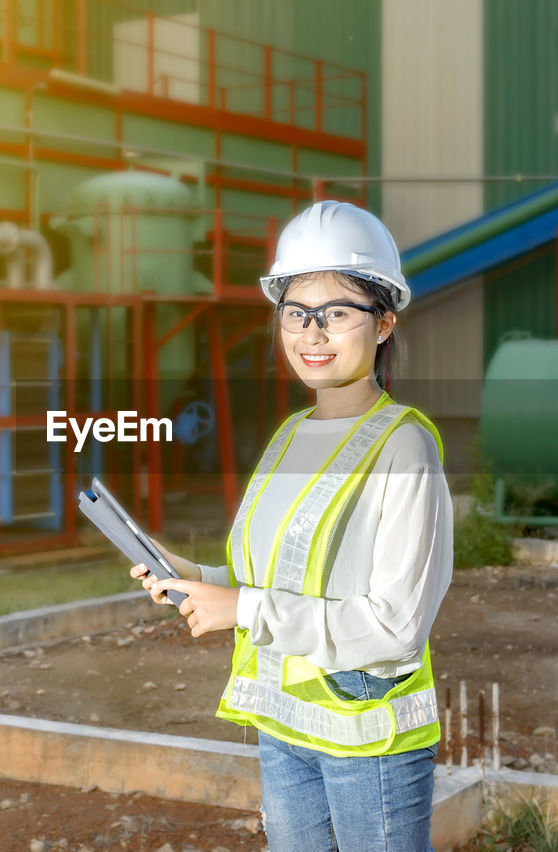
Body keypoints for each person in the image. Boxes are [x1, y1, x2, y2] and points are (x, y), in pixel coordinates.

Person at [131, 200, 453, 852]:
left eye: (337, 313)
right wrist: (198, 580)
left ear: (384, 322)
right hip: (284, 729)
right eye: (296, 313)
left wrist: (244, 607)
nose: (312, 334)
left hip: (370, 743)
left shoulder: (403, 447)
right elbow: (277, 576)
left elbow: (396, 625)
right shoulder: (287, 437)